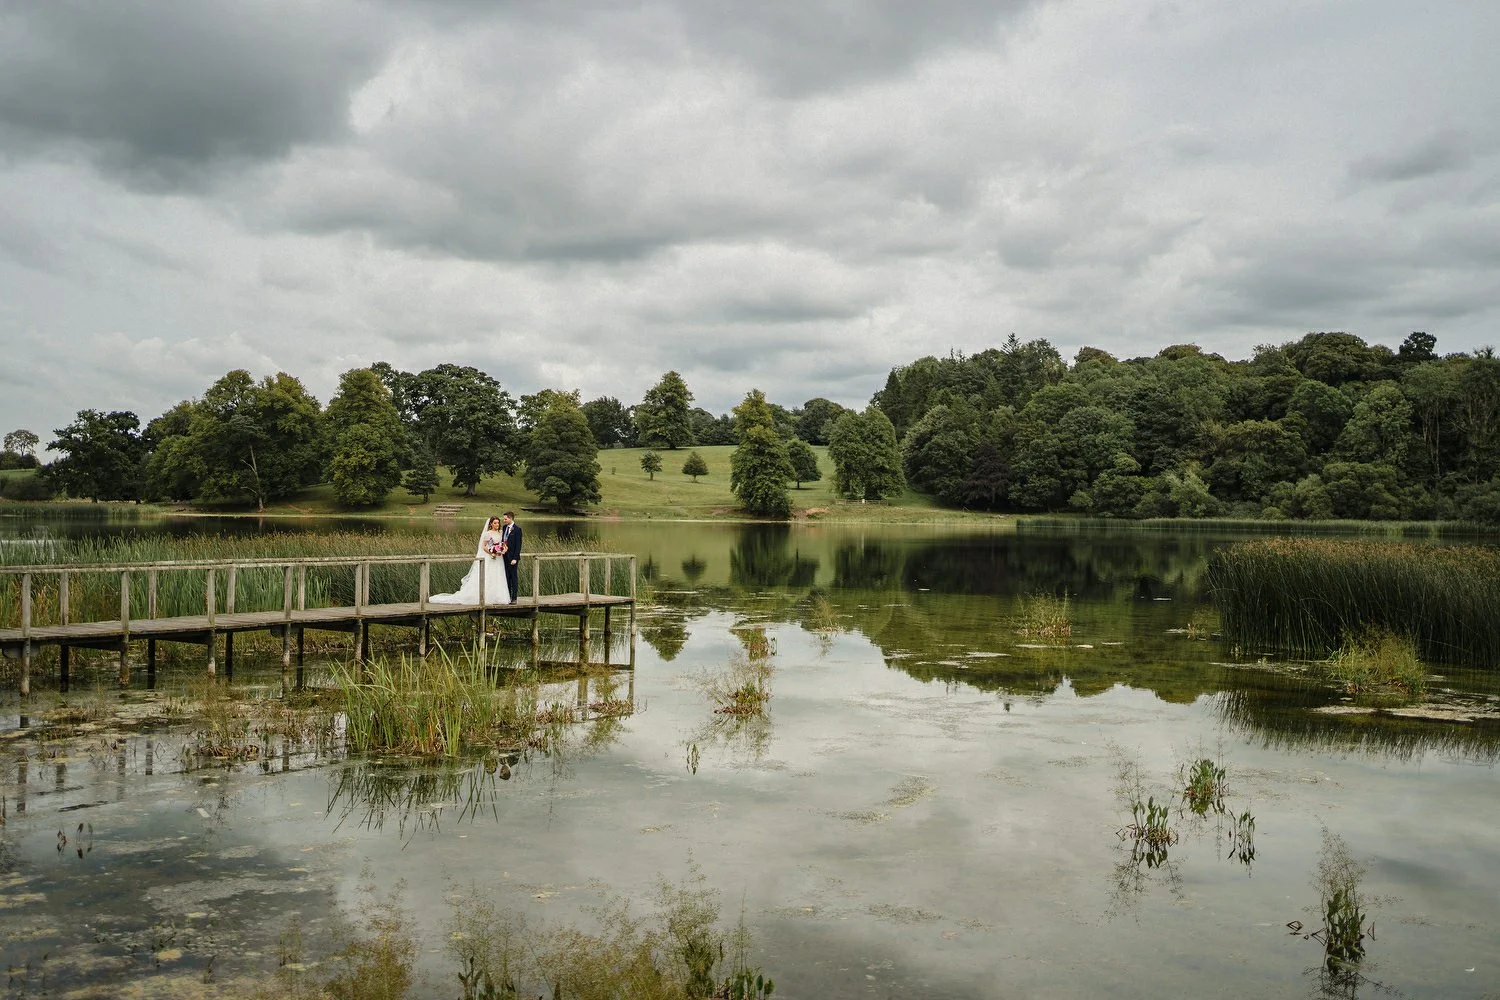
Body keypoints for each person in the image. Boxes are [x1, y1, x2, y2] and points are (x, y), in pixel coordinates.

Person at [429, 515, 510, 605]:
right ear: (491, 524)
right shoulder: (488, 533)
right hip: (490, 557)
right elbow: (484, 546)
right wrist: (492, 552)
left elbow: (503, 544)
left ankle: (498, 597)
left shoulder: (501, 533)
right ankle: (485, 597)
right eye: (495, 523)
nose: (497, 524)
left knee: (498, 575)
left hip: (499, 559)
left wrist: (503, 550)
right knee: (488, 575)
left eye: (498, 523)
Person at [501, 511, 522, 603]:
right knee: (506, 577)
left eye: (505, 519)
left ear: (510, 518)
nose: (504, 520)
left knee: (513, 577)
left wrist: (515, 558)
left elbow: (518, 545)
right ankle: (507, 596)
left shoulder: (517, 529)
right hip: (504, 556)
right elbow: (503, 540)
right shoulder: (504, 527)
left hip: (513, 558)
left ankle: (514, 598)